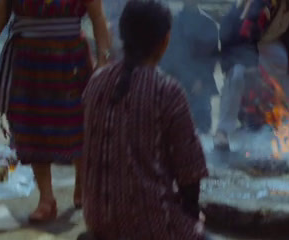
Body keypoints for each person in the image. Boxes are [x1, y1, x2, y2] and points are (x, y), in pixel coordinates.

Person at [0, 0, 110, 222]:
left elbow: (98, 18)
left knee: (78, 124)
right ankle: (47, 199)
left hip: (70, 60)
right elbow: (1, 13)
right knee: (31, 127)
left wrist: (103, 58)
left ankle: (82, 182)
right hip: (28, 61)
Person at [81, 1, 208, 239]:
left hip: (96, 217)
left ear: (121, 34)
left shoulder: (96, 81)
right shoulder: (167, 90)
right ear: (165, 40)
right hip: (149, 223)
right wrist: (192, 218)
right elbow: (190, 173)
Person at [215, 0, 289, 150]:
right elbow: (246, 31)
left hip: (265, 40)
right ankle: (223, 131)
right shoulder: (263, 3)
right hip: (238, 41)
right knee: (238, 75)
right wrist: (250, 64)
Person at [160, 0, 219, 134]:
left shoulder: (209, 25)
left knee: (202, 123)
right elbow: (172, 58)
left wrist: (201, 80)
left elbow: (212, 59)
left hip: (201, 83)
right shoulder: (173, 24)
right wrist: (191, 80)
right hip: (178, 81)